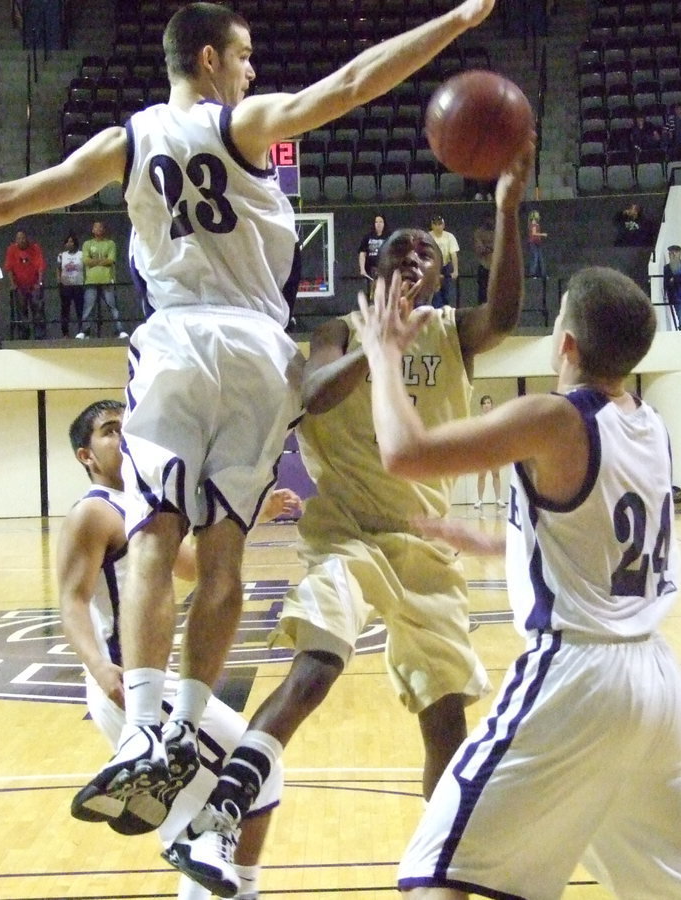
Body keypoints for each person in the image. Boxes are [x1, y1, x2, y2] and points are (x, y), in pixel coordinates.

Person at [0, 0, 500, 847]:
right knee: (224, 554)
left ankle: (146, 729)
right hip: (257, 351)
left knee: (154, 532)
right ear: (209, 58)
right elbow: (351, 84)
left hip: (178, 344)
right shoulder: (242, 124)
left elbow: (11, 199)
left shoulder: (125, 142)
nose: (253, 69)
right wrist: (454, 22)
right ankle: (185, 725)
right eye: (244, 55)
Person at [166, 143, 532, 897]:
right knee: (317, 666)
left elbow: (505, 314)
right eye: (400, 249)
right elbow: (313, 395)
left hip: (425, 547)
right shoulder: (337, 331)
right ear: (374, 268)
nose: (413, 257)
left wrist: (505, 207)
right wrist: (376, 346)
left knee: (445, 718)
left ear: (441, 275)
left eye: (426, 253)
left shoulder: (451, 332)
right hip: (348, 535)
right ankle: (224, 809)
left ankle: (444, 858)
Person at [354, 265, 681, 900]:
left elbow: (405, 453)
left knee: (438, 867)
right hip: (655, 683)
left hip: (576, 676)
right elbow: (599, 533)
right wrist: (494, 543)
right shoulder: (648, 422)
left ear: (566, 343)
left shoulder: (557, 418)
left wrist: (383, 353)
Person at [58, 399, 299, 900]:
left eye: (127, 426)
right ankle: (245, 890)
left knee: (201, 815)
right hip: (129, 684)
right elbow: (72, 600)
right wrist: (100, 668)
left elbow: (192, 567)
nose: (123, 436)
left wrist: (254, 513)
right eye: (109, 431)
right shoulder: (94, 511)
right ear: (86, 455)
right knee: (255, 771)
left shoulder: (141, 509)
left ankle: (236, 887)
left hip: (151, 684)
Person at [80, 220, 126, 339]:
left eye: (101, 227)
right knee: (88, 308)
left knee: (113, 306)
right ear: (92, 230)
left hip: (107, 279)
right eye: (96, 227)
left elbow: (111, 260)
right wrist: (102, 261)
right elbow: (86, 261)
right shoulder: (87, 244)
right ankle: (85, 331)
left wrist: (94, 262)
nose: (98, 229)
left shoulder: (110, 243)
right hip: (91, 281)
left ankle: (120, 330)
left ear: (104, 230)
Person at [4, 229, 46, 340]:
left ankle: (39, 336)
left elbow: (40, 266)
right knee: (21, 311)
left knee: (38, 310)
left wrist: (39, 283)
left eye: (23, 238)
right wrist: (13, 284)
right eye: (19, 238)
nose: (21, 240)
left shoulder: (35, 248)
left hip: (34, 285)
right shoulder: (11, 249)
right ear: (16, 240)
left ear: (27, 238)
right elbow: (9, 268)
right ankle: (24, 336)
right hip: (20, 287)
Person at [473, 395, 506, 512]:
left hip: (494, 451)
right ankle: (479, 499)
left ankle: (498, 499)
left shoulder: (496, 418)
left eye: (489, 403)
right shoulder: (478, 419)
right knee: (481, 476)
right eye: (485, 403)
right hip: (483, 451)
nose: (487, 405)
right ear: (482, 406)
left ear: (492, 405)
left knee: (496, 475)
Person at [57, 233, 85, 338]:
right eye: (68, 242)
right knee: (65, 310)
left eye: (71, 241)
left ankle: (81, 331)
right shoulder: (61, 255)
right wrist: (59, 280)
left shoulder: (81, 254)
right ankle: (65, 333)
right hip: (66, 286)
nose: (70, 244)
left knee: (80, 310)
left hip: (78, 285)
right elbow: (58, 268)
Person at [428, 214, 459, 308]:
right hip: (433, 267)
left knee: (446, 294)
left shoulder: (449, 236)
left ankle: (445, 311)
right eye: (435, 224)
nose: (438, 227)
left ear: (443, 225)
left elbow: (453, 254)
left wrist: (455, 270)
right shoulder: (428, 236)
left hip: (445, 267)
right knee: (435, 294)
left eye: (440, 224)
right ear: (432, 226)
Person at [357, 213, 387, 284]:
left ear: (384, 224)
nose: (378, 224)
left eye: (381, 222)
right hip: (370, 270)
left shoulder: (388, 237)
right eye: (376, 222)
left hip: (384, 269)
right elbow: (362, 253)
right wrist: (362, 269)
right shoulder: (367, 237)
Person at [526, 209, 547, 279]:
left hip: (537, 243)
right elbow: (534, 233)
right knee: (535, 258)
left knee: (540, 258)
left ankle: (542, 274)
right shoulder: (533, 225)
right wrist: (542, 234)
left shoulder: (535, 224)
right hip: (533, 243)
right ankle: (533, 274)